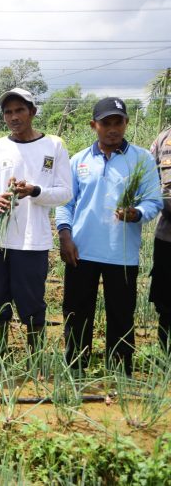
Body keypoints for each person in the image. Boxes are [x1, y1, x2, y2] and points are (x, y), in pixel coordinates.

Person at [57, 98, 162, 375]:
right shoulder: (79, 160)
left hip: (121, 252)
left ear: (126, 123)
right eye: (106, 123)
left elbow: (153, 201)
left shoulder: (141, 159)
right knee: (77, 311)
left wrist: (137, 213)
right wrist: (65, 236)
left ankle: (119, 370)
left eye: (118, 122)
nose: (113, 129)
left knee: (121, 313)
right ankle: (76, 366)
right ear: (94, 125)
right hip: (82, 250)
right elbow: (65, 203)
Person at [0, 88, 72, 352]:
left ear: (32, 111)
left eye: (20, 110)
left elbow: (65, 192)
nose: (14, 117)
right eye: (8, 112)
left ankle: (36, 358)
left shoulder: (53, 145)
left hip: (32, 241)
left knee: (32, 304)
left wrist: (35, 191)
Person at [150, 125, 171, 351]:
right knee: (165, 303)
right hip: (167, 237)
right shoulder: (164, 138)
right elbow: (152, 182)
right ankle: (165, 357)